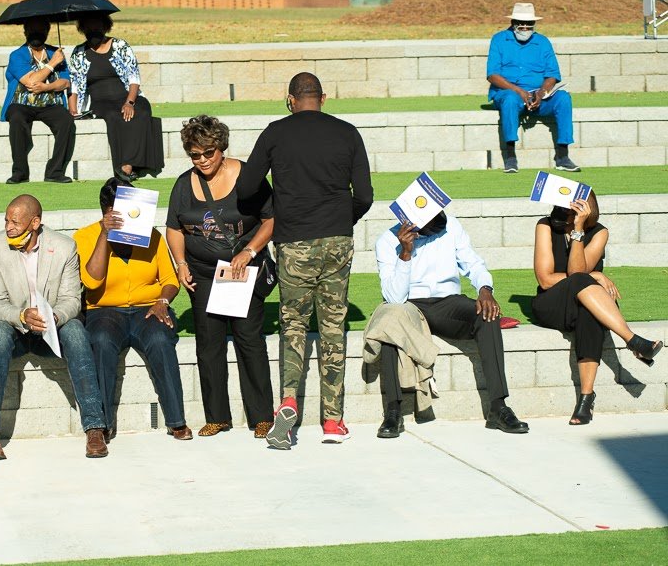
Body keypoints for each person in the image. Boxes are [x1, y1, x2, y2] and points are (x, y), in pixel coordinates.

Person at [236, 72, 373, 449]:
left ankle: (289, 402)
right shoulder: (347, 133)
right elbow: (364, 194)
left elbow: (246, 186)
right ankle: (333, 421)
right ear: (323, 98)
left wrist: (279, 201)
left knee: (293, 325)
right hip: (337, 238)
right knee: (333, 326)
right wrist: (342, 219)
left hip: (294, 241)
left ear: (290, 100)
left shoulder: (276, 132)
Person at [165, 116, 275, 438]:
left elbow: (270, 220)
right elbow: (175, 228)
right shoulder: (184, 184)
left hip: (242, 271)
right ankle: (217, 416)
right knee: (209, 346)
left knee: (249, 342)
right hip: (203, 274)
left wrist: (249, 252)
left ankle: (261, 416)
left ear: (221, 148)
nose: (202, 161)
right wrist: (181, 263)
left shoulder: (247, 177)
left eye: (208, 153)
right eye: (195, 155)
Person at [374, 211, 530, 438]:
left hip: (448, 302)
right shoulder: (387, 241)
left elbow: (473, 263)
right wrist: (406, 253)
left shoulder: (452, 227)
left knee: (487, 315)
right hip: (410, 306)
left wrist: (485, 289)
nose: (437, 232)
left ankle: (498, 407)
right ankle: (393, 412)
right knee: (389, 324)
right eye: (431, 228)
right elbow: (394, 297)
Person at [0, 195, 108, 460]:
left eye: (15, 222)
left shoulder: (64, 247)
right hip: (14, 327)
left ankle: (95, 427)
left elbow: (72, 300)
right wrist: (22, 315)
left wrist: (55, 317)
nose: (8, 227)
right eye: (6, 220)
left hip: (52, 328)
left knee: (76, 331)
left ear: (35, 222)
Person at [75, 178, 191, 441]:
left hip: (148, 309)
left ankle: (176, 420)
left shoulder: (152, 235)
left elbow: (171, 280)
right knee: (101, 341)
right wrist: (105, 235)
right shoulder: (84, 236)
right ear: (105, 211)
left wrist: (163, 301)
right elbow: (91, 282)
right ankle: (102, 424)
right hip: (104, 310)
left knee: (161, 339)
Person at [532, 193, 663, 425]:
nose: (560, 214)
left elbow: (577, 270)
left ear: (584, 211)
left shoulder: (600, 232)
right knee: (583, 280)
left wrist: (578, 231)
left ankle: (585, 398)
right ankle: (633, 340)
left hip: (590, 302)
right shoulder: (544, 226)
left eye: (568, 211)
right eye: (559, 208)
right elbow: (546, 280)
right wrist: (594, 275)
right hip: (551, 303)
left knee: (588, 312)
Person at [67, 12, 163, 182]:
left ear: (105, 26)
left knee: (141, 111)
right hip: (100, 102)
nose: (93, 30)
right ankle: (126, 166)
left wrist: (130, 102)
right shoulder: (79, 52)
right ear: (82, 29)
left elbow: (134, 78)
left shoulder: (120, 46)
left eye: (97, 26)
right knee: (113, 116)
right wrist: (73, 109)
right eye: (89, 27)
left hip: (127, 96)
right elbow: (74, 85)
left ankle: (127, 165)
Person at [487, 2, 579, 174]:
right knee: (509, 99)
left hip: (537, 95)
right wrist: (519, 91)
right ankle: (510, 157)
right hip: (510, 94)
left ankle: (562, 156)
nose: (525, 27)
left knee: (563, 98)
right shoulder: (499, 39)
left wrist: (541, 92)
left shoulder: (543, 42)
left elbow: (552, 74)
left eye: (529, 24)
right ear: (513, 22)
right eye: (521, 23)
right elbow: (492, 75)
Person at [0, 18, 75, 185]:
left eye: (41, 30)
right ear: (25, 32)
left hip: (50, 104)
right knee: (17, 118)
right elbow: (31, 81)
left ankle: (55, 172)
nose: (37, 34)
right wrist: (53, 63)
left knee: (66, 121)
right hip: (21, 103)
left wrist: (46, 88)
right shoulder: (17, 55)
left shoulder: (55, 52)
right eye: (32, 30)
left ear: (47, 33)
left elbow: (65, 82)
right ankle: (20, 172)